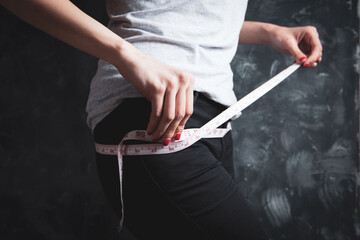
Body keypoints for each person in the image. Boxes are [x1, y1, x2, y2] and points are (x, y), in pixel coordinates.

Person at [1, 0, 323, 239]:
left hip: (215, 126)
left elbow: (184, 14)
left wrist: (269, 32)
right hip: (149, 115)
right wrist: (126, 54)